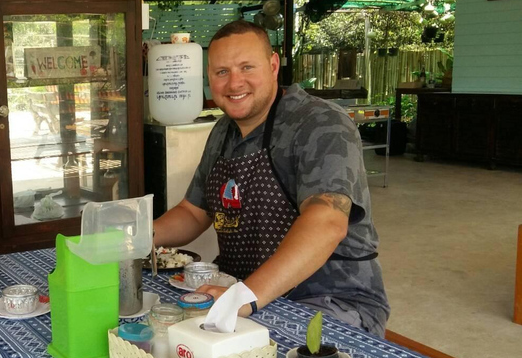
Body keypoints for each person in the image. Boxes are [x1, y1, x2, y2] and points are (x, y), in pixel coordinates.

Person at [154, 20, 389, 336]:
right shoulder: (223, 131)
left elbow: (326, 221)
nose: (235, 83)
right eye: (222, 72)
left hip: (329, 298)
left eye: (247, 67)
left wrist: (246, 296)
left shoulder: (321, 124)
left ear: (273, 64)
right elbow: (194, 212)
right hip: (243, 290)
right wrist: (132, 236)